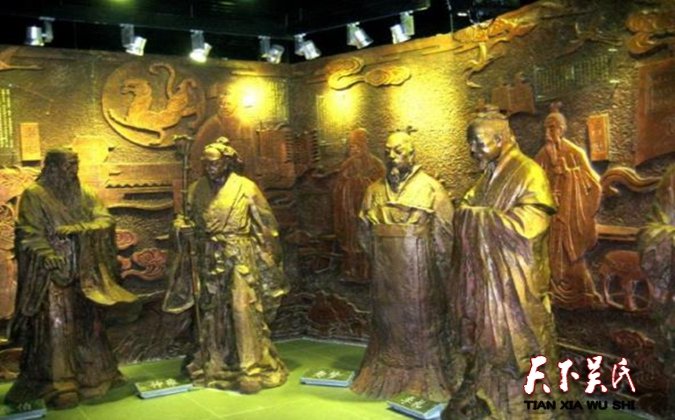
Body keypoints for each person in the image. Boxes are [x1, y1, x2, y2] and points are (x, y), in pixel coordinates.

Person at [446, 107, 557, 418]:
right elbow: (468, 204)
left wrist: (479, 218)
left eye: (478, 143)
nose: (473, 150)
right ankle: (486, 396)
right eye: (470, 143)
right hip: (488, 280)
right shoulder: (488, 175)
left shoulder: (528, 172)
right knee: (486, 342)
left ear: (500, 139)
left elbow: (531, 224)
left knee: (520, 344)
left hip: (515, 282)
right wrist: (468, 213)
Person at [5, 148, 136, 409]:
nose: (72, 171)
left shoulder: (85, 193)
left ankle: (96, 377)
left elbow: (104, 220)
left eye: (75, 165)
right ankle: (59, 383)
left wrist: (81, 229)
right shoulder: (34, 195)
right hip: (53, 274)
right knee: (58, 327)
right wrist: (46, 253)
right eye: (67, 166)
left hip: (85, 271)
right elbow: (28, 233)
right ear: (52, 167)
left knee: (90, 325)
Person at [164, 137, 288, 394]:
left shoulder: (246, 187)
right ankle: (216, 363)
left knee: (243, 309)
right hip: (208, 257)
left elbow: (266, 227)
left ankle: (250, 368)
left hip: (239, 256)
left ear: (227, 162)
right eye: (206, 164)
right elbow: (184, 219)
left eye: (214, 163)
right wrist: (182, 229)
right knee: (213, 313)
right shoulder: (195, 189)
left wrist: (269, 261)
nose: (210, 168)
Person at [351, 131, 455, 402]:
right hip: (385, 275)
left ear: (411, 153)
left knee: (421, 323)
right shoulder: (374, 191)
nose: (392, 157)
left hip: (421, 273)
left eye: (398, 151)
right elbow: (364, 233)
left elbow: (445, 236)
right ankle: (385, 372)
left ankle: (422, 378)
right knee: (387, 322)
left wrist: (438, 271)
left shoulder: (431, 188)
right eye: (388, 151)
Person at [535, 102, 604, 309]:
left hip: (571, 215)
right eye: (546, 128)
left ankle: (584, 293)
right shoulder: (542, 155)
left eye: (553, 127)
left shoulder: (574, 152)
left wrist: (569, 174)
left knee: (571, 254)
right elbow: (533, 184)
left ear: (562, 129)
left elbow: (594, 184)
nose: (549, 132)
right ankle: (552, 293)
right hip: (551, 216)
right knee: (551, 253)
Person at [332, 128, 385, 282]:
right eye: (351, 146)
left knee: (367, 240)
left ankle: (369, 273)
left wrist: (361, 183)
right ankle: (351, 271)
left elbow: (382, 187)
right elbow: (338, 187)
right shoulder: (347, 165)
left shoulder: (376, 164)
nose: (354, 150)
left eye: (357, 146)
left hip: (368, 211)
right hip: (348, 212)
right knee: (351, 242)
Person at [190, 87, 252, 180]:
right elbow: (198, 147)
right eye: (222, 104)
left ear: (235, 104)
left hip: (239, 170)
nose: (225, 106)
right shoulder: (212, 123)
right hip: (215, 172)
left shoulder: (244, 122)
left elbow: (249, 148)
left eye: (228, 104)